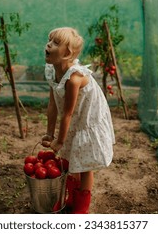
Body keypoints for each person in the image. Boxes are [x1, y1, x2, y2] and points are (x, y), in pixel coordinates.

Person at [41, 27, 115, 214]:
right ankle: (71, 198)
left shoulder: (74, 79)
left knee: (84, 164)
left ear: (66, 53)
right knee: (70, 158)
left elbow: (67, 113)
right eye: (49, 40)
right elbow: (52, 106)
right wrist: (50, 134)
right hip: (75, 116)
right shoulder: (51, 71)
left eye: (55, 43)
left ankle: (82, 207)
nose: (48, 45)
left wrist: (60, 141)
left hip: (88, 117)